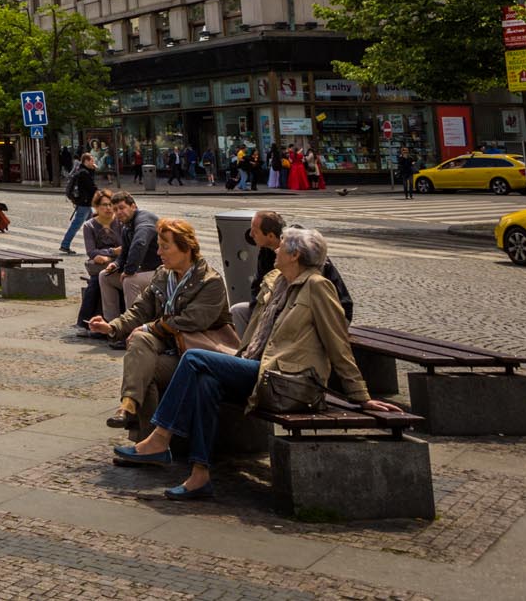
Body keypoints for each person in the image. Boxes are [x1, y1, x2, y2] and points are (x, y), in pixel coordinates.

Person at [112, 227, 394, 500]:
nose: (277, 248)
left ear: (296, 255)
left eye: (282, 244)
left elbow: (338, 342)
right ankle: (200, 475)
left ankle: (161, 437)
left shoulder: (317, 287)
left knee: (194, 358)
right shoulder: (275, 281)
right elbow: (256, 337)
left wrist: (361, 397)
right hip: (261, 372)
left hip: (291, 382)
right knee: (206, 382)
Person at [89, 218, 236, 430]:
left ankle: (142, 435)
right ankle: (132, 411)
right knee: (141, 352)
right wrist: (112, 327)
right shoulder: (162, 274)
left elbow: (192, 320)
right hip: (168, 347)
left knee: (142, 361)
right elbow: (141, 310)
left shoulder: (210, 281)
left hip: (196, 352)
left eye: (165, 247)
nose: (159, 252)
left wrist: (149, 327)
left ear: (186, 248)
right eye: (159, 246)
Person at [232, 210, 353, 329]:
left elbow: (308, 297)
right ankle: (250, 348)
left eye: (255, 231)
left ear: (271, 236)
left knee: (277, 320)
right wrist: (257, 312)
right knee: (238, 311)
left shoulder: (302, 250)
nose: (250, 235)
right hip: (283, 305)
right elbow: (257, 285)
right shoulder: (266, 251)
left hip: (326, 312)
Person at [98, 193, 159, 335]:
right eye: (116, 209)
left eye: (122, 208)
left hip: (161, 272)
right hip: (145, 271)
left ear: (133, 206)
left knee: (130, 281)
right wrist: (117, 265)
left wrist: (129, 270)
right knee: (104, 276)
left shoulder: (144, 220)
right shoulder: (127, 226)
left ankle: (131, 330)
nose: (119, 212)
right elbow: (124, 252)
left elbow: (139, 243)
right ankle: (112, 326)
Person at [74, 189, 123, 326]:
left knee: (104, 280)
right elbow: (92, 251)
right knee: (95, 283)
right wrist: (113, 251)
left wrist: (108, 253)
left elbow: (124, 248)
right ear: (96, 207)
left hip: (118, 263)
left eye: (110, 205)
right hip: (99, 265)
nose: (108, 208)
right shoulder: (90, 225)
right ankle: (83, 322)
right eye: (104, 205)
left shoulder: (120, 223)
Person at [60, 152, 97, 253]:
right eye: (92, 161)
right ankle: (65, 244)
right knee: (76, 225)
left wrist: (93, 170)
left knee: (94, 224)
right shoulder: (83, 173)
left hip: (85, 203)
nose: (93, 163)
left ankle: (97, 245)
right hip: (84, 203)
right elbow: (92, 187)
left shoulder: (83, 171)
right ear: (86, 161)